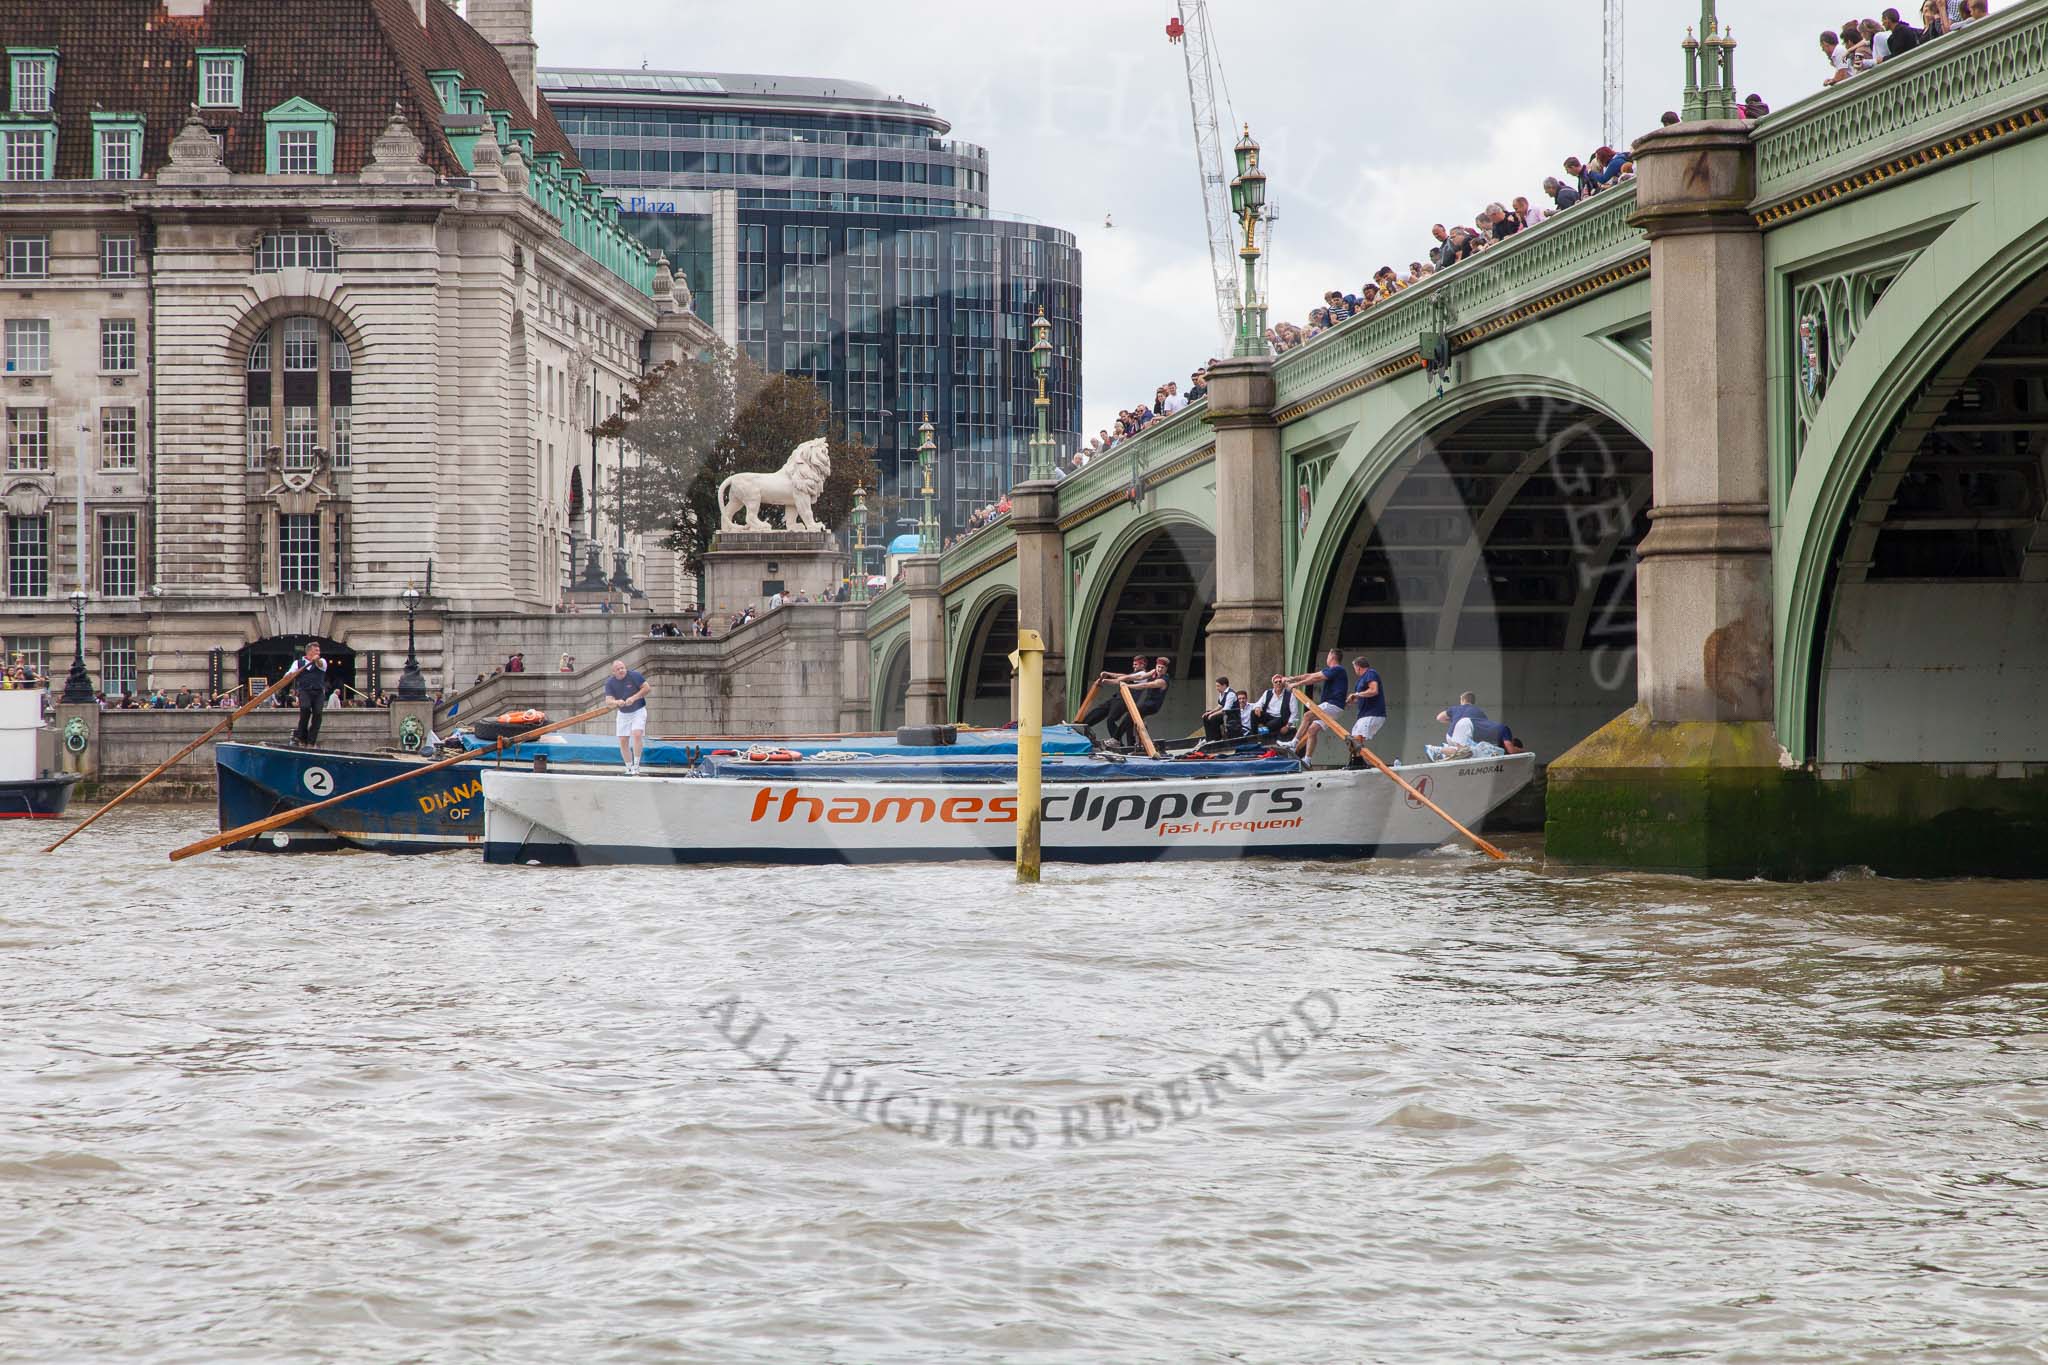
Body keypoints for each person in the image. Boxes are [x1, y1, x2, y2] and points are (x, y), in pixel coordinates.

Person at [1280, 648, 1353, 763]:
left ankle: (1294, 743)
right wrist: (1292, 678)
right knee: (1312, 730)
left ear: (1332, 657)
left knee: (1307, 716)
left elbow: (1315, 679)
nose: (1327, 658)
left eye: (1328, 655)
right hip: (1333, 707)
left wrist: (1296, 684)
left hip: (1332, 705)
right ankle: (1308, 759)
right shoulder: (1331, 670)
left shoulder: (1337, 669)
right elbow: (1309, 675)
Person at [1111, 656, 1172, 749]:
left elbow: (1145, 684)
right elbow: (1140, 676)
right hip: (1146, 703)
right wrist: (1120, 679)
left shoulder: (1162, 681)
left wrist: (1128, 686)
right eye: (1158, 666)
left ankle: (1116, 739)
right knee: (1131, 721)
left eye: (1162, 668)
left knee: (1130, 716)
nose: (1159, 669)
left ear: (1166, 669)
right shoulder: (1153, 672)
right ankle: (1132, 744)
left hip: (1152, 706)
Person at [603, 659, 651, 773]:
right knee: (623, 740)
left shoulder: (634, 675)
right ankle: (629, 768)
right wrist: (617, 702)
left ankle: (636, 766)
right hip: (623, 713)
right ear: (613, 672)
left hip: (638, 710)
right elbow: (608, 701)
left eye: (622, 668)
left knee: (637, 734)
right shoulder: (610, 682)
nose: (621, 670)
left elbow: (647, 688)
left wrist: (634, 698)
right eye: (618, 669)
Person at [1346, 656, 1388, 762]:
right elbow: (1359, 697)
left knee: (1358, 738)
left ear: (1358, 667)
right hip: (1364, 715)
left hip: (1373, 713)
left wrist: (1356, 695)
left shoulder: (1370, 673)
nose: (1355, 671)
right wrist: (1350, 701)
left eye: (1354, 668)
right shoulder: (1360, 681)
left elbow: (1374, 690)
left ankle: (1359, 761)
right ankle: (1357, 760)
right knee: (1353, 737)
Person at [288, 642, 329, 747]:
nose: (318, 652)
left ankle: (311, 741)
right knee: (305, 709)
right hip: (304, 691)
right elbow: (290, 674)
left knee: (318, 713)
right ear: (309, 651)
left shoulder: (322, 661)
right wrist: (288, 676)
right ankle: (302, 737)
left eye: (319, 650)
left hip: (318, 692)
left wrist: (316, 660)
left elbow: (321, 665)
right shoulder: (297, 663)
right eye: (316, 650)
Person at [1247, 673, 1299, 740]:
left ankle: (1265, 737)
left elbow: (1294, 713)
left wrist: (1287, 726)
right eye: (1276, 682)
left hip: (1281, 718)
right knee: (1253, 713)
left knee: (1271, 724)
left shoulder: (1290, 695)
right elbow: (1258, 703)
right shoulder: (1267, 692)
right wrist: (1257, 707)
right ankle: (1254, 737)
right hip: (1268, 716)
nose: (1278, 683)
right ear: (1273, 684)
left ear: (1283, 683)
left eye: (1280, 681)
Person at [1201, 676, 1243, 743]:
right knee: (1206, 716)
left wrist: (1212, 715)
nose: (1217, 688)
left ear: (1224, 685)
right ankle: (1209, 738)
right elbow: (1220, 705)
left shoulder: (1231, 694)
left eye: (1218, 686)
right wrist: (1210, 712)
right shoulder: (1222, 693)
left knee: (1213, 718)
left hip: (1231, 715)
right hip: (1225, 714)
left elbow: (1225, 709)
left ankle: (1217, 739)